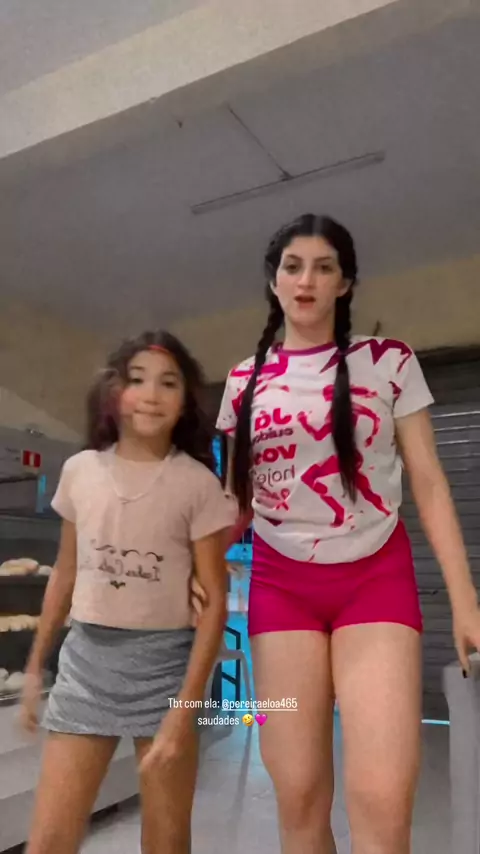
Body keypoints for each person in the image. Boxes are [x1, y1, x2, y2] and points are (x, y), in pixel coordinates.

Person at [213, 213, 480, 854]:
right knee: (299, 798)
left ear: (345, 282)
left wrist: (465, 600)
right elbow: (236, 501)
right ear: (274, 282)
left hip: (374, 584)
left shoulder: (388, 361)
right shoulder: (243, 381)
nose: (306, 280)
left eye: (323, 267)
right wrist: (193, 576)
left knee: (382, 804)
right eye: (293, 267)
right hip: (281, 591)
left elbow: (429, 483)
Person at [20, 330, 235, 854]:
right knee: (48, 840)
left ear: (185, 400)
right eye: (137, 380)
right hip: (85, 668)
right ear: (115, 391)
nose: (151, 395)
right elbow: (64, 574)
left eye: (168, 383)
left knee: (166, 842)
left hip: (166, 673)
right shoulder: (80, 471)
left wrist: (185, 709)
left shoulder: (196, 484)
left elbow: (214, 602)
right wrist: (35, 666)